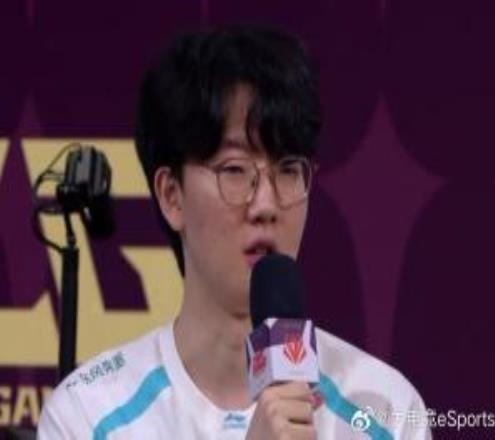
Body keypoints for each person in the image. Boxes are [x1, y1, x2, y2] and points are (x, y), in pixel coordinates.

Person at [38, 26, 431, 439]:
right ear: (172, 196)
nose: (266, 205)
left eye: (288, 169)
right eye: (235, 170)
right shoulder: (87, 415)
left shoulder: (385, 410)